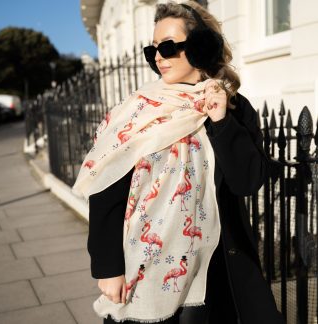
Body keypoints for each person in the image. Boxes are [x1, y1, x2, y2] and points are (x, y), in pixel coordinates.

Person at [72, 1, 285, 323]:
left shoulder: (234, 109)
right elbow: (105, 192)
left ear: (202, 48)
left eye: (169, 47)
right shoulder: (136, 112)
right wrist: (108, 269)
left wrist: (221, 121)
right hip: (146, 263)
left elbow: (247, 182)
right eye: (153, 49)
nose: (158, 57)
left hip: (217, 268)